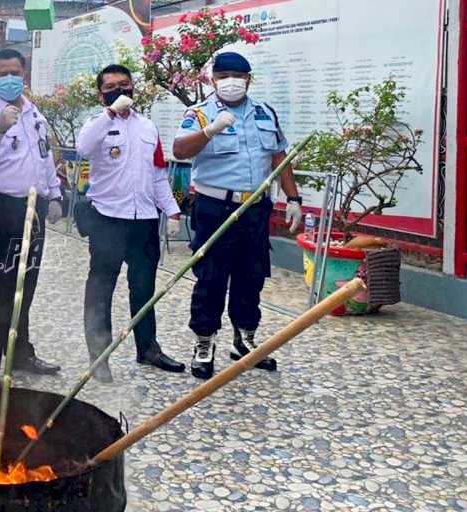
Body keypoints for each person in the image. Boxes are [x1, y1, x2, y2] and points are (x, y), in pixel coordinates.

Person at [172, 52, 303, 380]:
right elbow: (179, 150)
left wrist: (294, 198)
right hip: (215, 208)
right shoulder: (200, 114)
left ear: (249, 79)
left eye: (238, 75)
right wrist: (210, 131)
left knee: (252, 274)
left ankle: (245, 339)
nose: (231, 81)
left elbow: (279, 156)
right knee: (211, 276)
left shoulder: (264, 112)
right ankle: (204, 342)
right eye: (223, 75)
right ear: (213, 79)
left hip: (255, 208)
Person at [75, 64, 186, 383]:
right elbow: (83, 148)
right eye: (111, 86)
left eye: (125, 85)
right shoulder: (96, 124)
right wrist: (110, 113)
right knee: (101, 287)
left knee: (144, 288)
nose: (120, 90)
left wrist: (173, 211)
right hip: (108, 219)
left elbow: (158, 175)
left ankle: (148, 348)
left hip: (144, 221)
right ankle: (100, 355)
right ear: (101, 94)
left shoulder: (148, 128)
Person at [0, 48, 63, 384]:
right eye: (3, 73)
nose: (10, 78)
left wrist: (54, 195)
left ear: (24, 74)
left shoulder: (35, 114)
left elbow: (44, 156)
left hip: (29, 208)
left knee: (25, 283)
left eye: (15, 72)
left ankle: (20, 353)